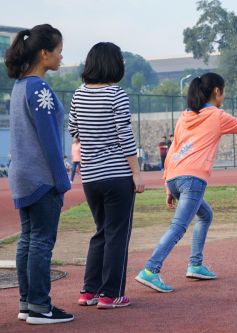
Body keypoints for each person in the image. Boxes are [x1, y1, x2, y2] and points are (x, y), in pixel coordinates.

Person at [134, 72, 237, 292]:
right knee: (179, 226)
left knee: (205, 215)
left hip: (176, 177)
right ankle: (150, 270)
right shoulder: (217, 116)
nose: (224, 95)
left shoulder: (185, 116)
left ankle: (195, 264)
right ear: (217, 91)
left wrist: (167, 184)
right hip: (192, 179)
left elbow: (173, 149)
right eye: (224, 91)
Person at [5, 24, 74, 324]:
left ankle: (27, 303)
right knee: (42, 242)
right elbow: (48, 139)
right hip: (41, 177)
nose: (61, 56)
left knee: (28, 239)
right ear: (44, 54)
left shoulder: (19, 86)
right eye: (58, 51)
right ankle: (40, 306)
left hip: (21, 175)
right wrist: (62, 180)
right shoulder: (39, 88)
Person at [69, 42, 145, 309]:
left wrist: (93, 142)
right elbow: (125, 135)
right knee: (117, 234)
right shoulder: (117, 94)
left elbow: (73, 130)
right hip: (117, 175)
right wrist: (136, 173)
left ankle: (89, 291)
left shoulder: (78, 95)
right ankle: (111, 294)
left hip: (90, 176)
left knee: (100, 232)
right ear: (114, 64)